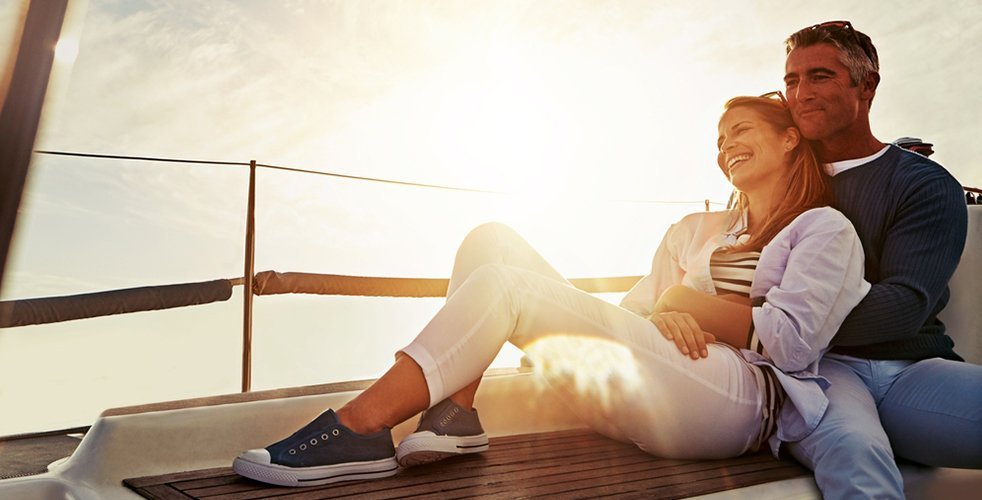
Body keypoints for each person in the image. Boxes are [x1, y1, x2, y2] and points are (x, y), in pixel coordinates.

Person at [231, 94, 870, 488]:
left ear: (791, 138)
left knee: (511, 288)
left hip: (740, 399)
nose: (728, 146)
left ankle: (361, 427)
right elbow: (637, 313)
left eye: (743, 131)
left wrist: (685, 307)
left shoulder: (823, 228)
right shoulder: (692, 230)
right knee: (492, 240)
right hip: (662, 374)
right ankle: (453, 415)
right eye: (720, 139)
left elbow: (790, 343)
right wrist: (664, 314)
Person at [781, 20, 982, 498]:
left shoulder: (923, 183)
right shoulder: (779, 184)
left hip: (911, 371)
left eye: (820, 76)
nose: (801, 93)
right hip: (817, 373)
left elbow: (902, 306)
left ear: (866, 85)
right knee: (855, 452)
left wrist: (771, 326)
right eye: (791, 80)